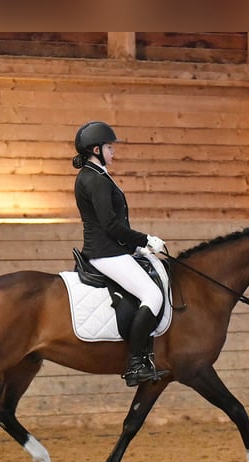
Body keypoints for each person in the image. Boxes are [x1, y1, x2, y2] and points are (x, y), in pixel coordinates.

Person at [72, 120, 167, 387]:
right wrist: (145, 239)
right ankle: (136, 363)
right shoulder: (95, 179)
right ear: (96, 149)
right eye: (109, 147)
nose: (113, 152)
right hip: (106, 253)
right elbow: (110, 225)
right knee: (152, 295)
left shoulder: (96, 174)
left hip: (111, 248)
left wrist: (136, 246)